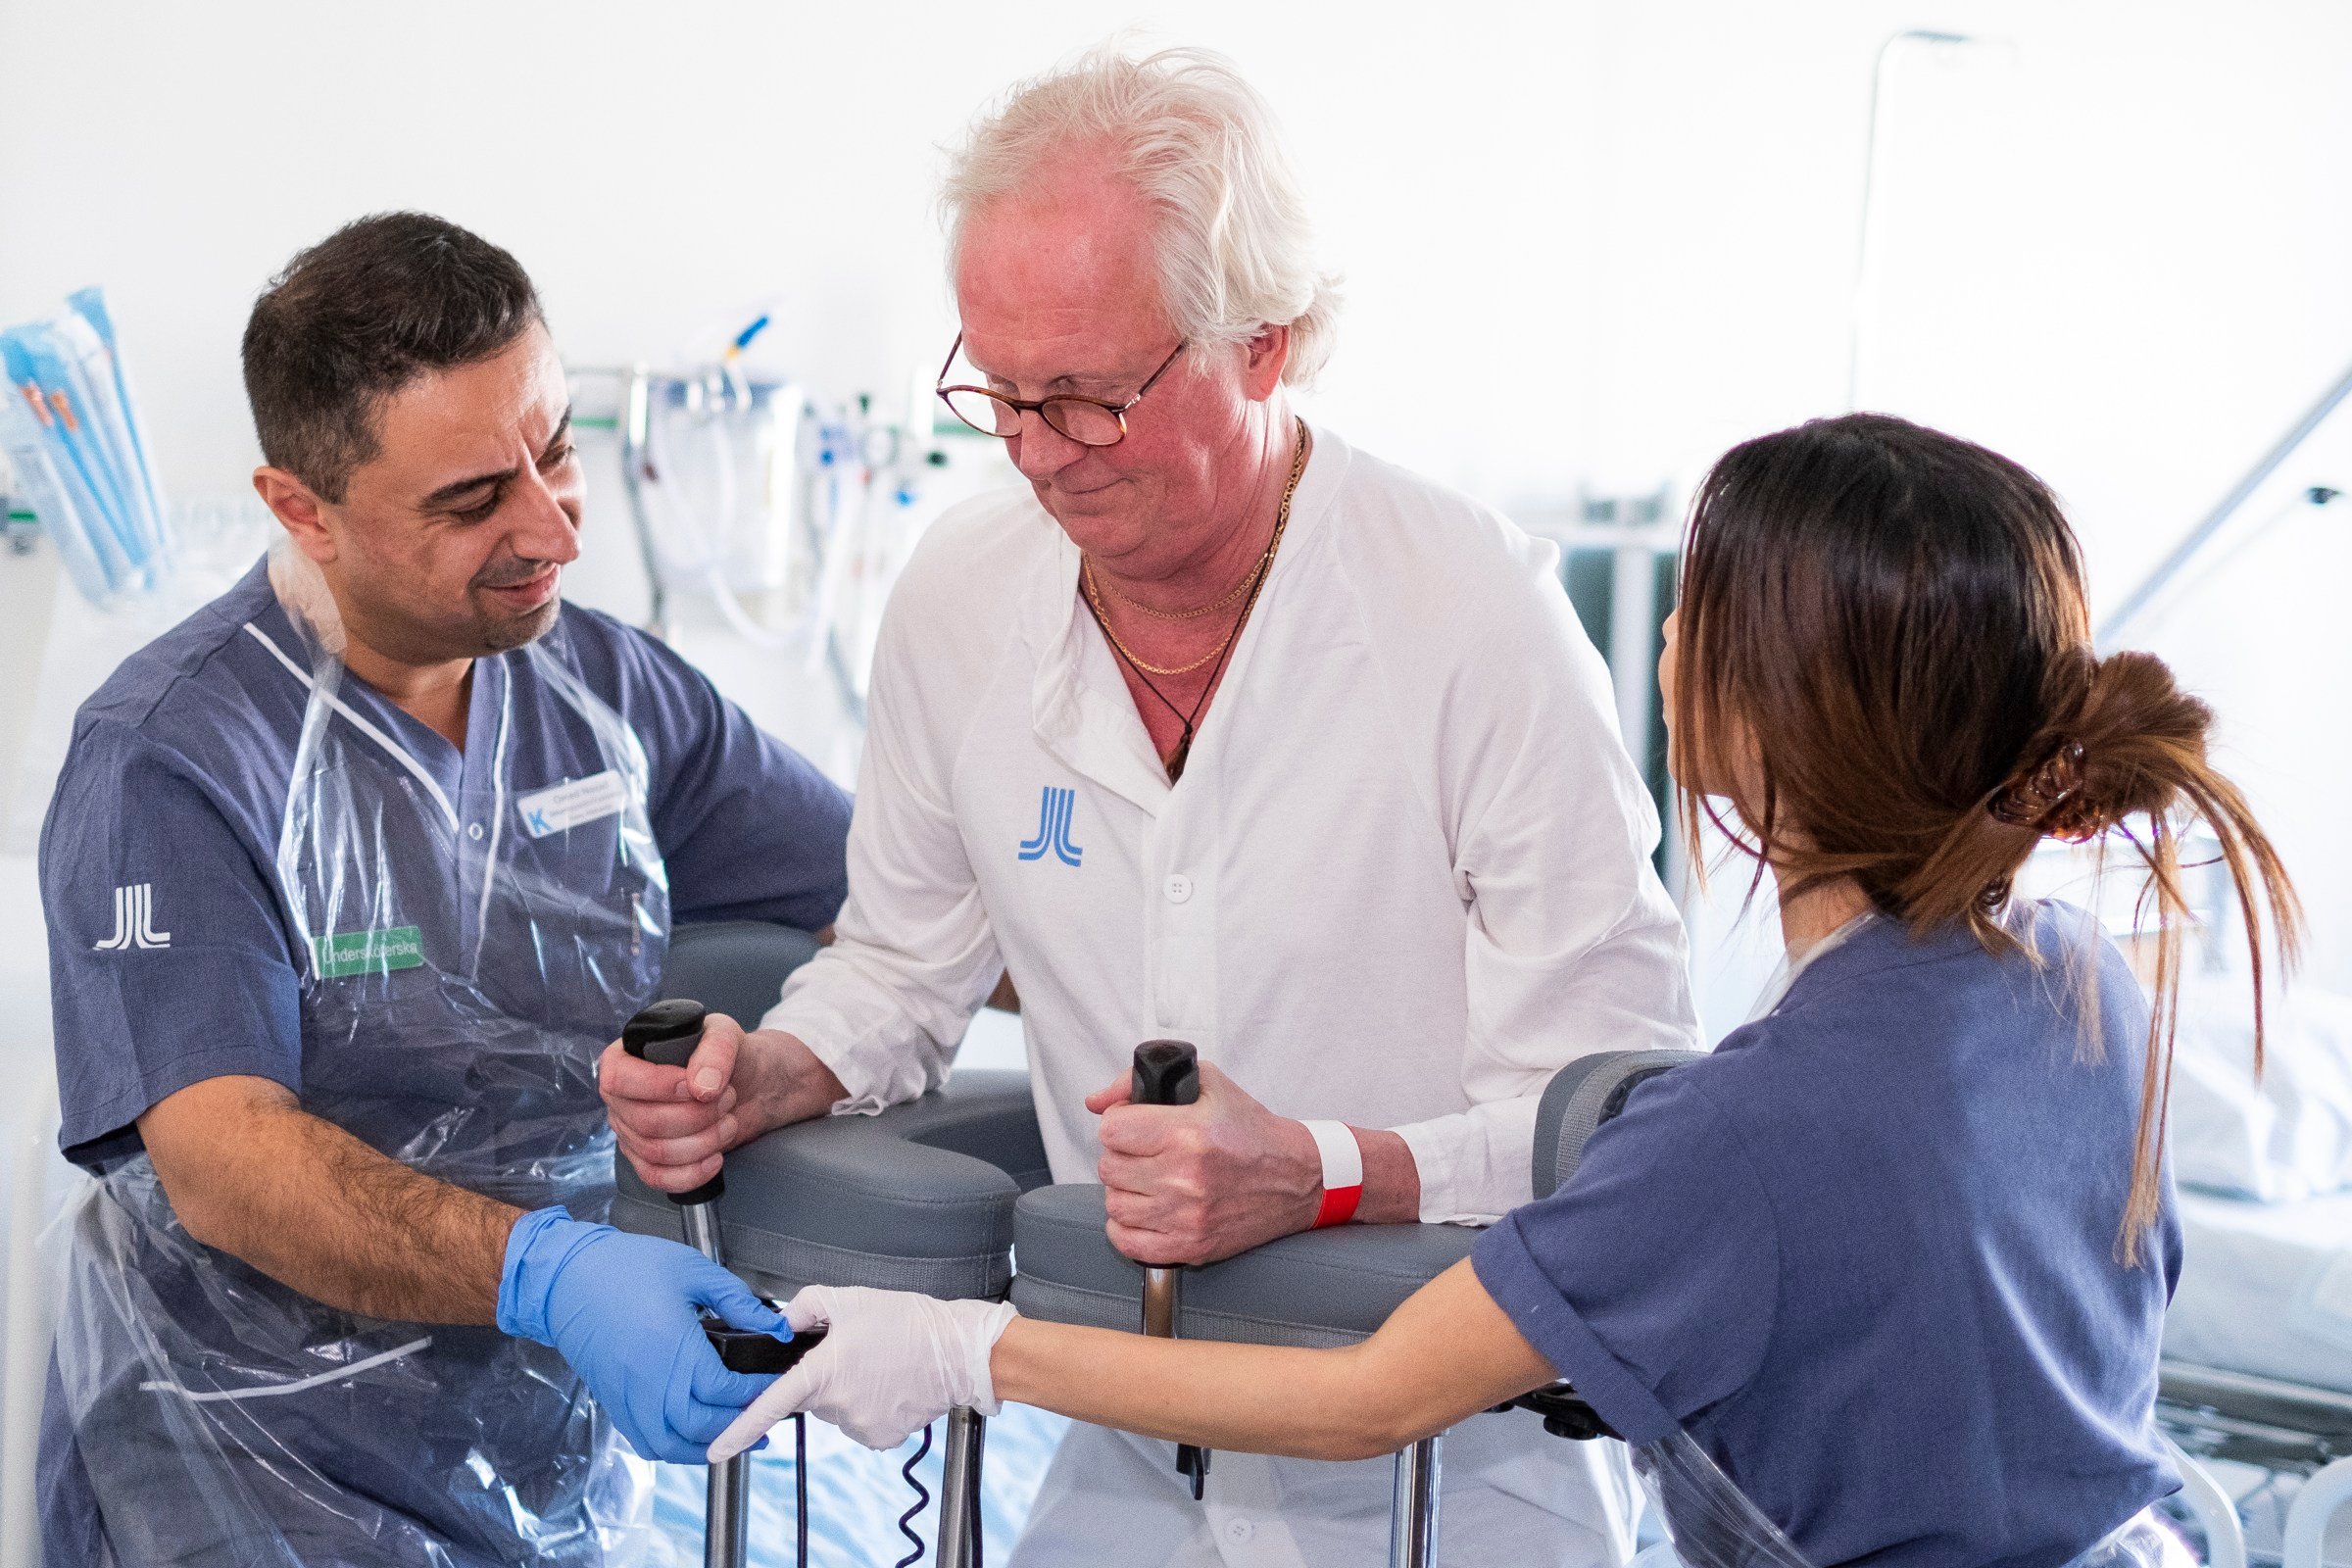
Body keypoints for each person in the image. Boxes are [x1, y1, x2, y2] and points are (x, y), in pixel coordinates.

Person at [709, 413, 2303, 1568]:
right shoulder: (2082, 988)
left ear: (1757, 718)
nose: (1671, 633)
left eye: (1701, 610)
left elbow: (1364, 1404)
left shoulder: (1745, 1132)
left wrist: (956, 1347)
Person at [601, 45, 1694, 1568]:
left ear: (1266, 343)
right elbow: (900, 966)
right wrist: (771, 1070)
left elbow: (1612, 1127)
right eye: (998, 392)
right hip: (1127, 1451)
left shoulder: (1471, 623)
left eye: (1091, 398)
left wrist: (1317, 1170)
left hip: (1459, 1474)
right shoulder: (962, 601)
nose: (1040, 452)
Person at [37, 213, 854, 1568]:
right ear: (303, 508)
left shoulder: (605, 691)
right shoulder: (172, 759)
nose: (550, 528)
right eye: (474, 499)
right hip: (254, 1461)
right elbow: (226, 1162)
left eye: (559, 451)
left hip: (571, 1453)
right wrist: (552, 1272)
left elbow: (908, 904)